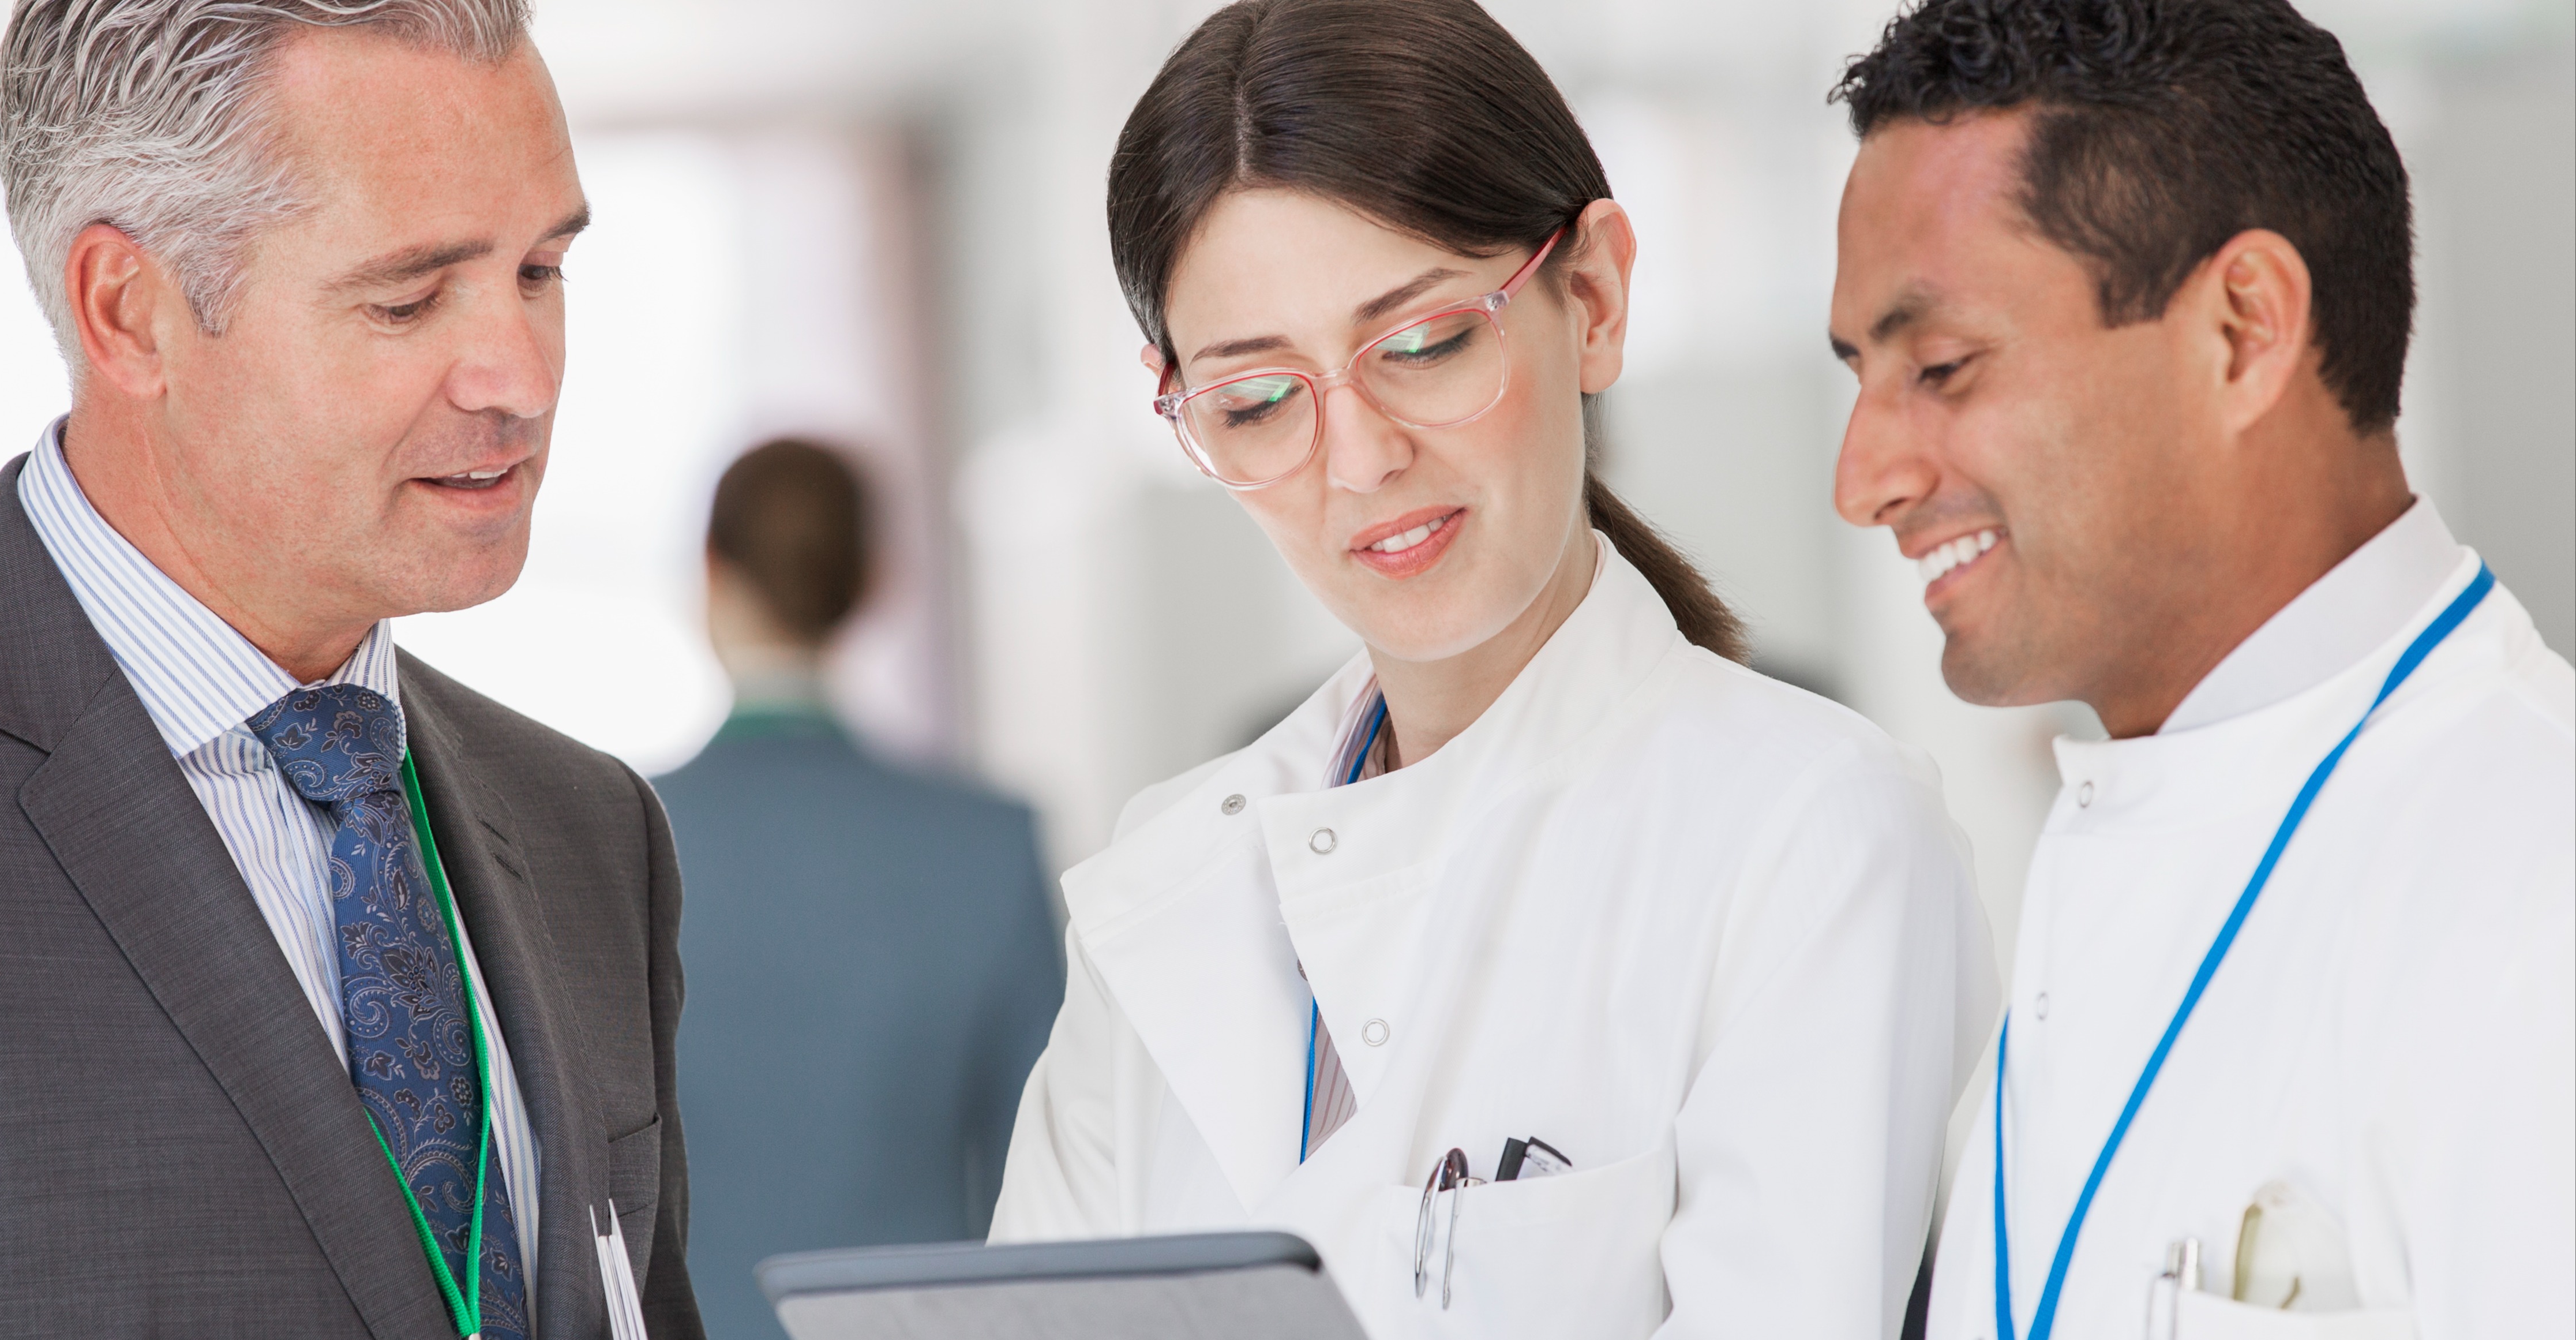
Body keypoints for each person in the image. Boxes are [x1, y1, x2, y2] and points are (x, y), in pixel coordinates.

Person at [0, 3, 703, 1336]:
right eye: (411, 296)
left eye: (540, 272)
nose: (519, 377)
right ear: (127, 313)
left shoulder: (590, 830)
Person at [989, 2, 1998, 1335]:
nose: (1357, 460)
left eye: (1422, 346)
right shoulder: (1164, 882)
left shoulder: (1813, 838)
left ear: (1593, 296)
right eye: (1254, 400)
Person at [1825, 1, 2575, 1337]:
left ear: (2242, 330)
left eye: (1941, 366)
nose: (1864, 479)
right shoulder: (2127, 827)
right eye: (1861, 379)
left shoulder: (2535, 886)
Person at [655, 439, 1063, 1340]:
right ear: (876, 579)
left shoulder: (604, 839)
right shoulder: (988, 843)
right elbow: (1048, 1182)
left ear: (710, 570)